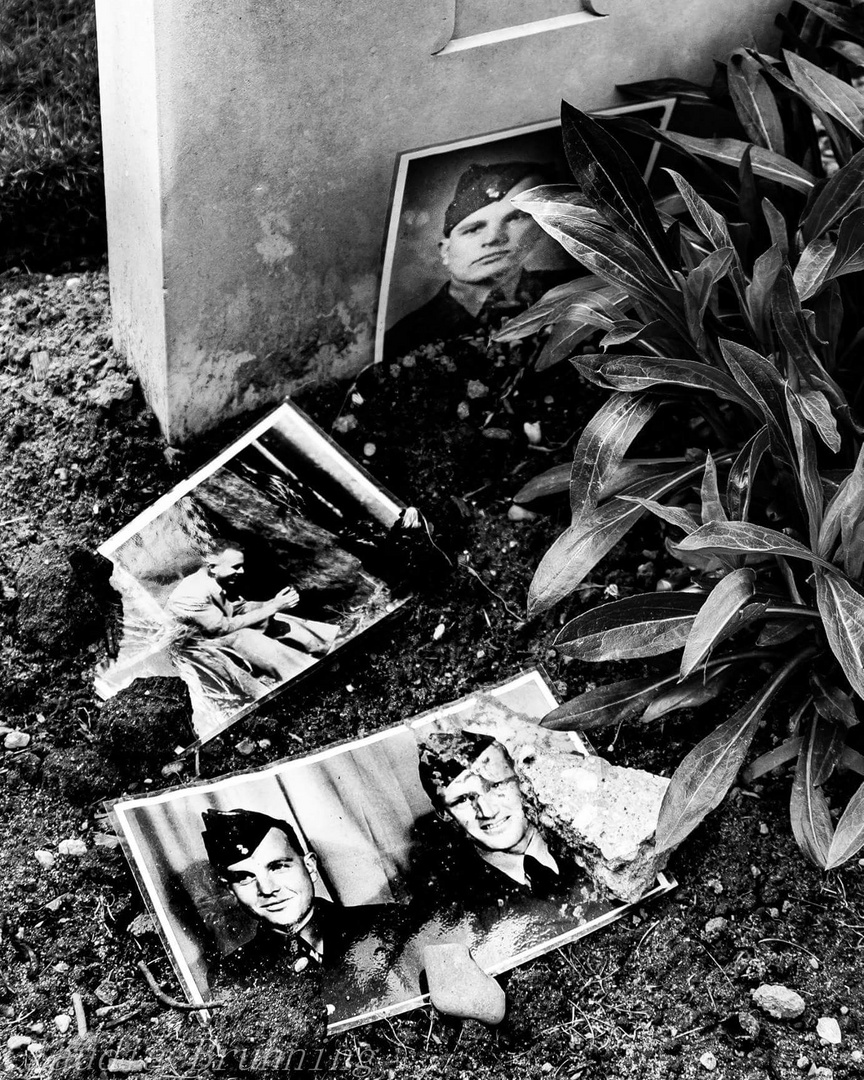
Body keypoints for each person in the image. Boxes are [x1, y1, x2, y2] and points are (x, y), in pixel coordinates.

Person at [201, 808, 423, 1026]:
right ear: (231, 891)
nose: (267, 889)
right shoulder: (232, 976)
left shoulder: (391, 924)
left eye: (278, 867)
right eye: (245, 878)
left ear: (310, 867)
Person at [384, 160, 569, 360]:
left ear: (539, 232)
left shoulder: (574, 290)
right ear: (445, 252)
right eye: (473, 229)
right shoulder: (403, 339)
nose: (493, 238)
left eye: (515, 218)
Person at [416, 729, 600, 912]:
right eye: (463, 800)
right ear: (444, 813)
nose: (487, 811)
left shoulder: (590, 832)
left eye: (496, 785)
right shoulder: (452, 905)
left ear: (521, 778)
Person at [165, 545, 338, 685]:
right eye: (236, 567)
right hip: (195, 649)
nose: (241, 572)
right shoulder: (191, 594)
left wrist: (273, 604)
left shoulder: (214, 578)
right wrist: (272, 607)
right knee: (244, 636)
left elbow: (237, 609)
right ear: (212, 567)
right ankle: (307, 673)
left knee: (267, 615)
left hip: (213, 634)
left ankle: (330, 642)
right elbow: (222, 628)